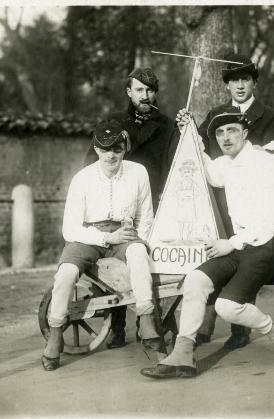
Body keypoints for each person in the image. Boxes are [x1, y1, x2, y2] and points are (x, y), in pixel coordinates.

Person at [140, 107, 274, 379]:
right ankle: (183, 354)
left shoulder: (268, 163)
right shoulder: (227, 163)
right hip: (242, 244)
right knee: (195, 280)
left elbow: (270, 219)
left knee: (227, 306)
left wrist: (232, 244)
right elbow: (210, 171)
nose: (225, 138)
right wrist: (189, 131)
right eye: (220, 133)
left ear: (245, 133)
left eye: (232, 130)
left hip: (271, 243)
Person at [176, 53, 274, 350]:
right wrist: (189, 127)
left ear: (254, 82)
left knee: (246, 261)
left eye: (244, 79)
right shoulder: (217, 114)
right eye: (233, 80)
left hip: (254, 202)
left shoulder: (271, 116)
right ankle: (204, 327)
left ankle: (240, 329)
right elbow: (204, 152)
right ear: (226, 85)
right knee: (218, 263)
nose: (239, 85)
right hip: (223, 200)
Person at [42, 120, 160, 371]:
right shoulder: (82, 179)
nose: (111, 155)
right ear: (96, 150)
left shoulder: (138, 172)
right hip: (88, 236)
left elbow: (146, 216)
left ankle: (146, 318)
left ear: (124, 148)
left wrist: (139, 240)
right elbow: (70, 229)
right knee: (65, 273)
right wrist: (106, 238)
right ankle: (55, 332)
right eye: (105, 149)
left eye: (117, 149)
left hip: (125, 232)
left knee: (139, 253)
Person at [84, 67, 179, 349]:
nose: (145, 95)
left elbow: (172, 167)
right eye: (139, 90)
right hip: (117, 204)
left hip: (151, 202)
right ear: (129, 92)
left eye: (150, 90)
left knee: (146, 259)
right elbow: (92, 164)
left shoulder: (166, 125)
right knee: (114, 267)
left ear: (155, 92)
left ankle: (147, 321)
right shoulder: (113, 121)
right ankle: (115, 326)